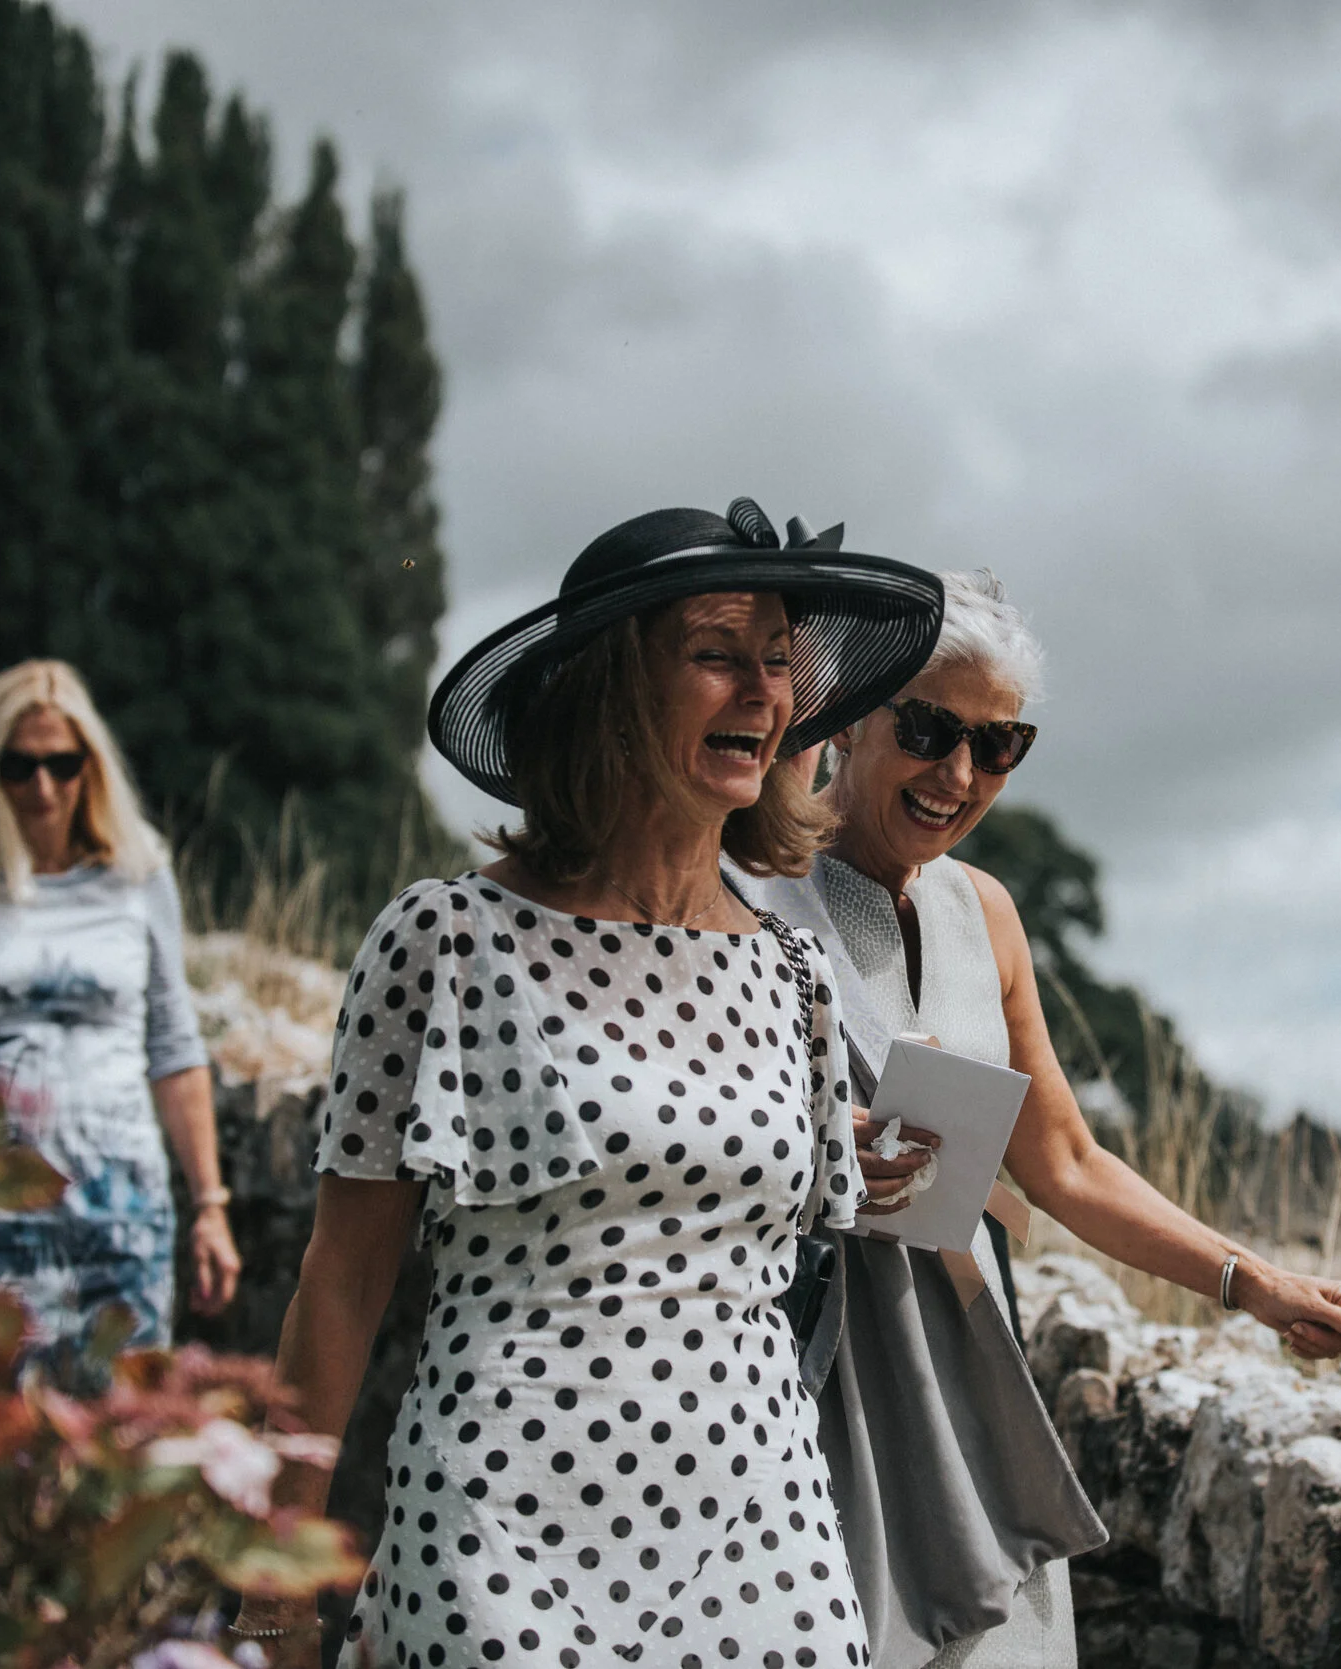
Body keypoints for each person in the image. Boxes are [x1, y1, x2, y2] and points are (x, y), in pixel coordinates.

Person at [232, 500, 946, 1669]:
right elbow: (343, 1277)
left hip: (762, 1539)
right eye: (718, 655)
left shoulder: (794, 970)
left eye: (779, 662)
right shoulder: (448, 940)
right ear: (609, 691)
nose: (764, 695)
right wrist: (271, 1597)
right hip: (501, 1537)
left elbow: (781, 1222)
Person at [737, 571, 1341, 1669]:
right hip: (804, 1381)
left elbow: (1067, 1164)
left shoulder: (984, 910)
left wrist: (1254, 1282)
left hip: (972, 1378)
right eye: (932, 729)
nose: (958, 775)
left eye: (998, 746)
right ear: (845, 720)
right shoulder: (739, 892)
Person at [0, 659, 239, 1354]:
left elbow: (173, 1045)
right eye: (17, 766)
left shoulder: (140, 875)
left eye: (60, 762)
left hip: (122, 1216)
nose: (41, 786)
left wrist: (210, 1206)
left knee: (121, 1439)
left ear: (91, 765)